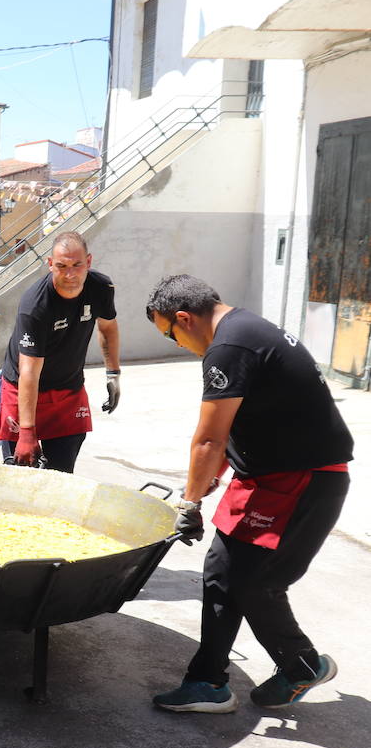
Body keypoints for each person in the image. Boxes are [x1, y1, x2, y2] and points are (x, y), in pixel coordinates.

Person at [146, 275, 353, 713]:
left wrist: (190, 503)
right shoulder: (245, 329)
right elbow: (233, 432)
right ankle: (209, 681)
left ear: (184, 318)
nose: (177, 343)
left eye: (170, 333)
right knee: (224, 571)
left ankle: (300, 665)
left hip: (300, 479)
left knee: (254, 582)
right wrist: (204, 486)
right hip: (270, 475)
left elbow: (208, 439)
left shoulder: (229, 348)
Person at [0, 231, 120, 474]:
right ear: (50, 264)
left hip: (68, 392)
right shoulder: (35, 305)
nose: (70, 274)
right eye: (61, 266)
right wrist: (28, 433)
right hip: (24, 391)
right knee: (21, 474)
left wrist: (113, 374)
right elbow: (29, 371)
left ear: (89, 262)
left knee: (61, 474)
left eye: (77, 265)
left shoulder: (101, 288)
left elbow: (108, 328)